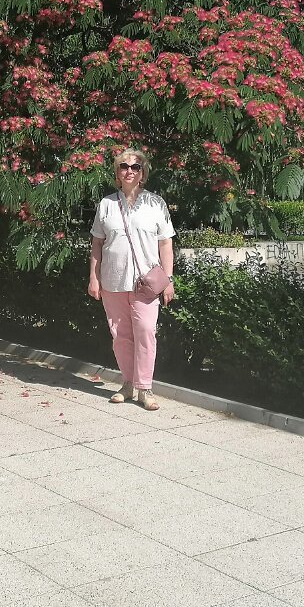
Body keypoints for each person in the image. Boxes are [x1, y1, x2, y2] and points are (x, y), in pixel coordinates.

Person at [88, 147, 176, 411]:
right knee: (120, 336)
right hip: (113, 281)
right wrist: (93, 278)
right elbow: (97, 244)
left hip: (146, 283)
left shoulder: (156, 203)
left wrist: (168, 280)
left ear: (143, 173)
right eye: (124, 166)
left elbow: (166, 244)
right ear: (117, 173)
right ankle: (128, 384)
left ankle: (144, 388)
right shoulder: (106, 205)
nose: (129, 171)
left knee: (146, 332)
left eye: (135, 167)